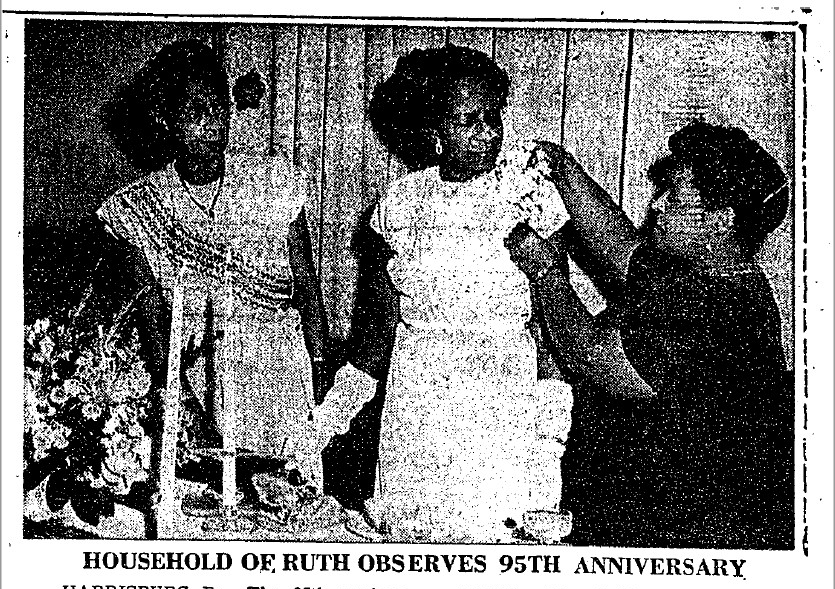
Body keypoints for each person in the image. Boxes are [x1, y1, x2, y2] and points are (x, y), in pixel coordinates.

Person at [300, 45, 573, 542]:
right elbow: (374, 342)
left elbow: (555, 335)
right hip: (419, 411)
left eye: (495, 117)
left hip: (500, 407)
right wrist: (320, 425)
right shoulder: (401, 206)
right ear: (433, 133)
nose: (489, 134)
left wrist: (546, 455)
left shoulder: (528, 196)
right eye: (471, 121)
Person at [505, 121, 793, 549]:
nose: (657, 203)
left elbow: (593, 356)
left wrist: (547, 272)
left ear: (720, 218)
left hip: (688, 526)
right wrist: (563, 171)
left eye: (674, 194)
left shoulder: (718, 306)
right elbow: (622, 248)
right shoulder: (715, 267)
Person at [97, 40, 327, 519]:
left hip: (277, 369)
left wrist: (323, 364)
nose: (212, 123)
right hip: (197, 382)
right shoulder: (140, 205)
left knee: (288, 508)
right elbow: (152, 315)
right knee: (206, 509)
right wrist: (177, 400)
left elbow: (307, 283)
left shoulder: (273, 180)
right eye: (195, 112)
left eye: (219, 107)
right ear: (165, 121)